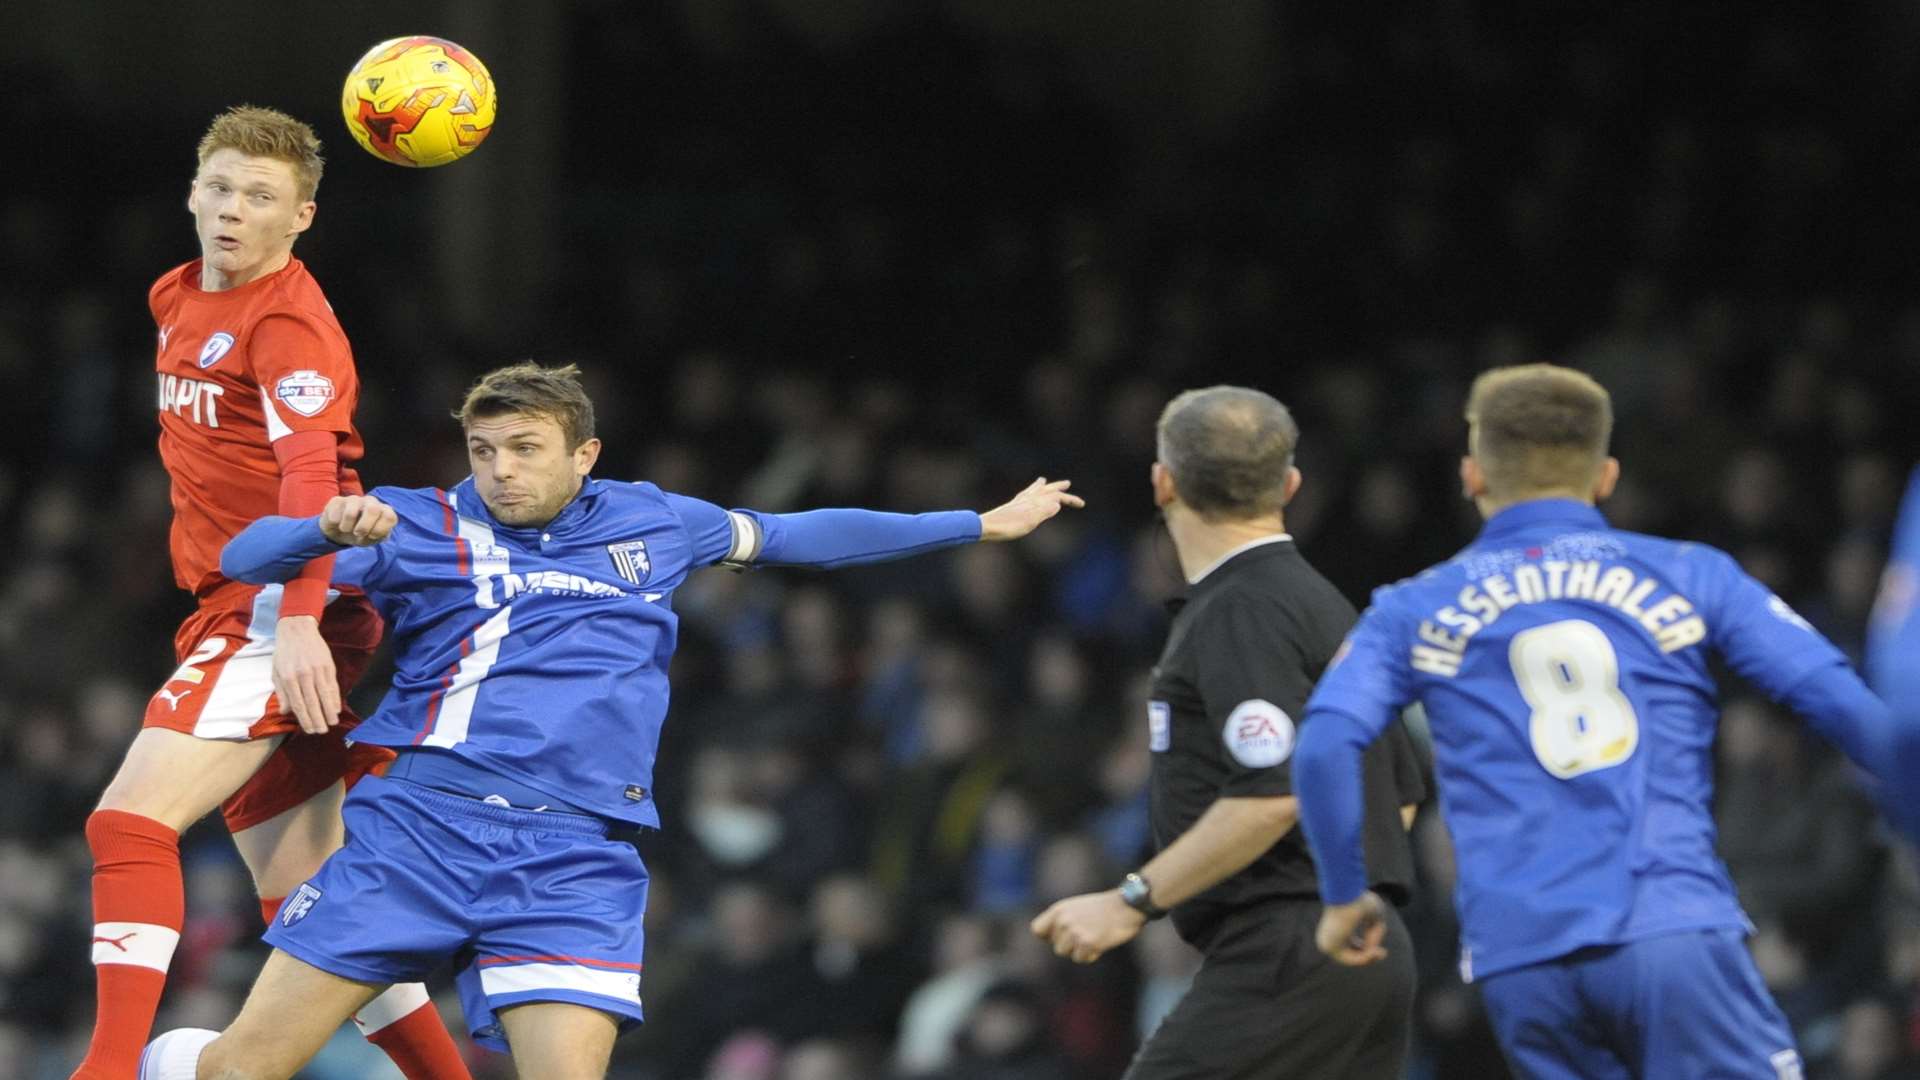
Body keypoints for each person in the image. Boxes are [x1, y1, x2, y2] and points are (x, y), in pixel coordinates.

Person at [140, 361, 1083, 1079]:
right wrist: (320, 530)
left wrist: (976, 524)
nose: (500, 472)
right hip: (419, 832)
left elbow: (802, 536)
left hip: (574, 856)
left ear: (584, 454)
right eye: (484, 451)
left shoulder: (656, 522)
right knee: (241, 1069)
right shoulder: (415, 523)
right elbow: (246, 555)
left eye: (525, 450)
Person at [1295, 363, 1918, 1079]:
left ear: (1472, 476)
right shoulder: (1692, 574)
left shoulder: (1410, 607)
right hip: (1667, 929)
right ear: (1607, 476)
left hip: (1518, 959)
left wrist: (1344, 895)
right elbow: (1842, 702)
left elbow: (1323, 745)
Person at [74, 106, 467, 1080]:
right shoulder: (174, 296)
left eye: (261, 198)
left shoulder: (287, 320)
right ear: (192, 192)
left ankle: (106, 1068)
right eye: (220, 188)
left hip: (289, 603)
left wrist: (299, 623)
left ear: (302, 218)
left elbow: (313, 480)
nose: (233, 211)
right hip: (231, 604)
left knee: (127, 824)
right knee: (317, 908)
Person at [1030, 386, 1424, 1079]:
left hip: (1285, 950)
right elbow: (1400, 794)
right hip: (1366, 945)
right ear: (1290, 485)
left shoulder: (1240, 608)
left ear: (1164, 482)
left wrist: (1130, 902)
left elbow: (1274, 792)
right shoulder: (1325, 608)